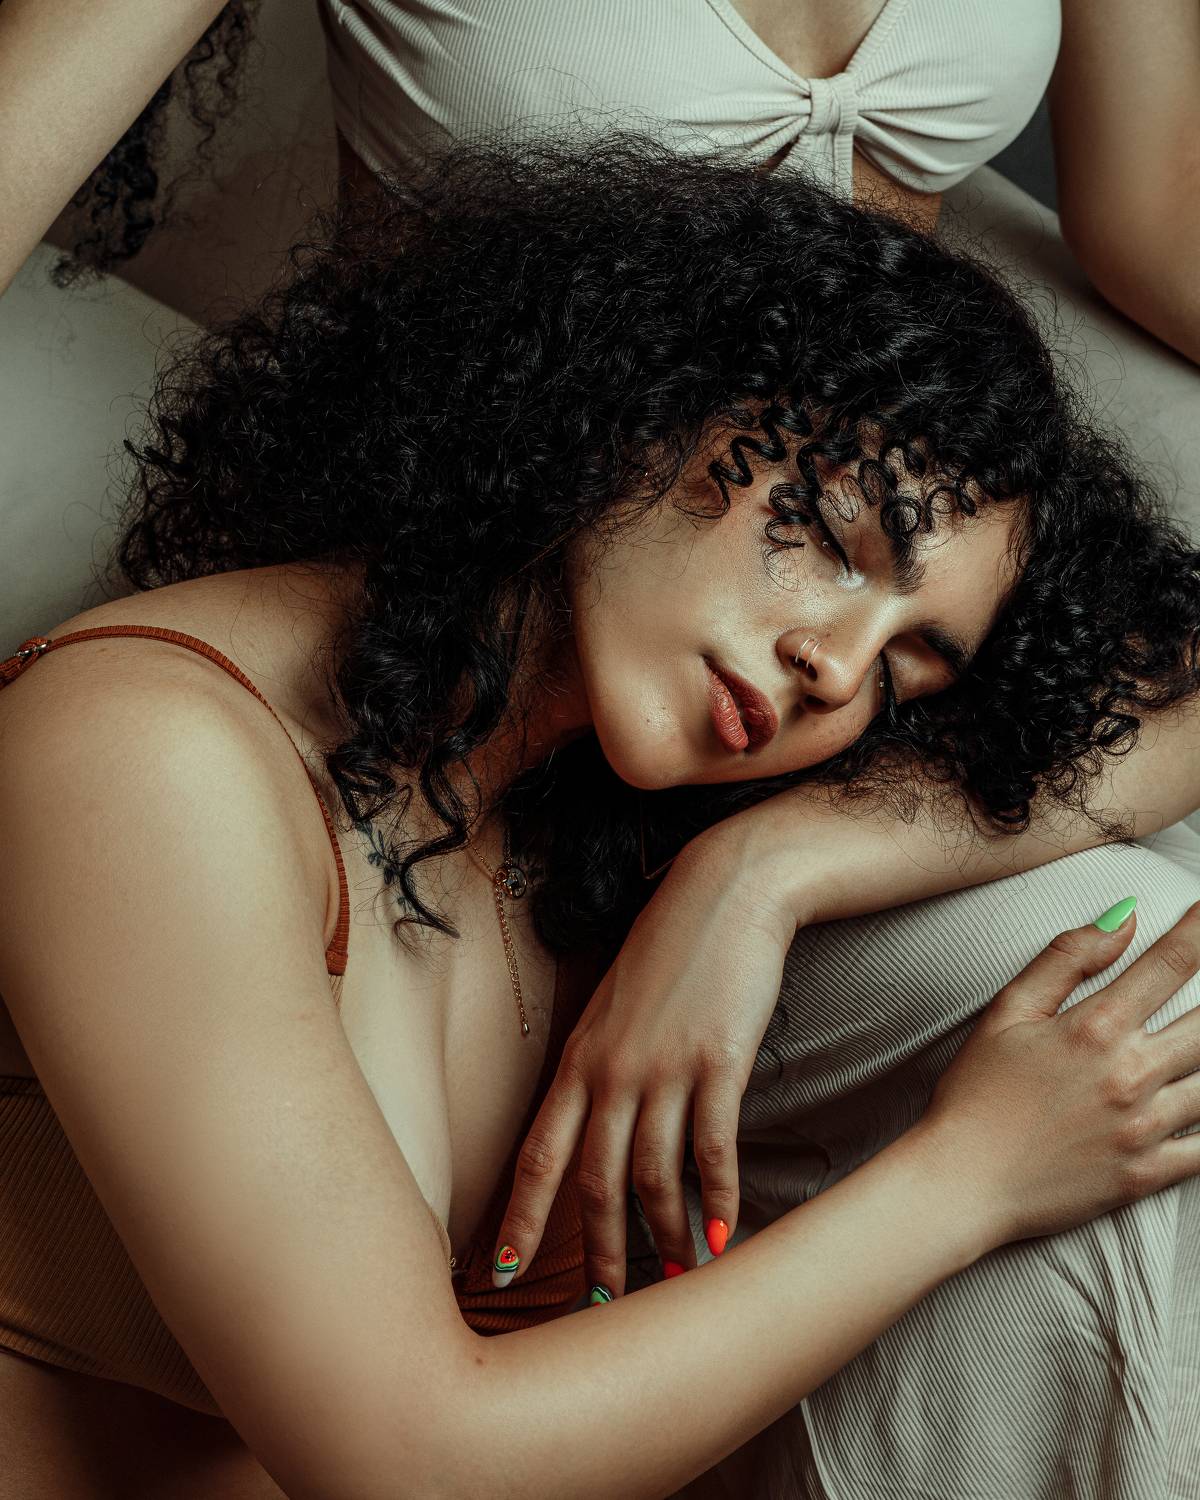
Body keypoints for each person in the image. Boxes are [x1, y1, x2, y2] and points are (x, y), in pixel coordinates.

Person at [3, 134, 1200, 1499]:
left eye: (908, 664)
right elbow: (411, 1461)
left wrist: (765, 869)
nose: (837, 667)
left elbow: (1179, 698)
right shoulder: (149, 754)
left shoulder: (555, 832)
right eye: (834, 537)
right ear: (646, 401)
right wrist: (971, 1176)